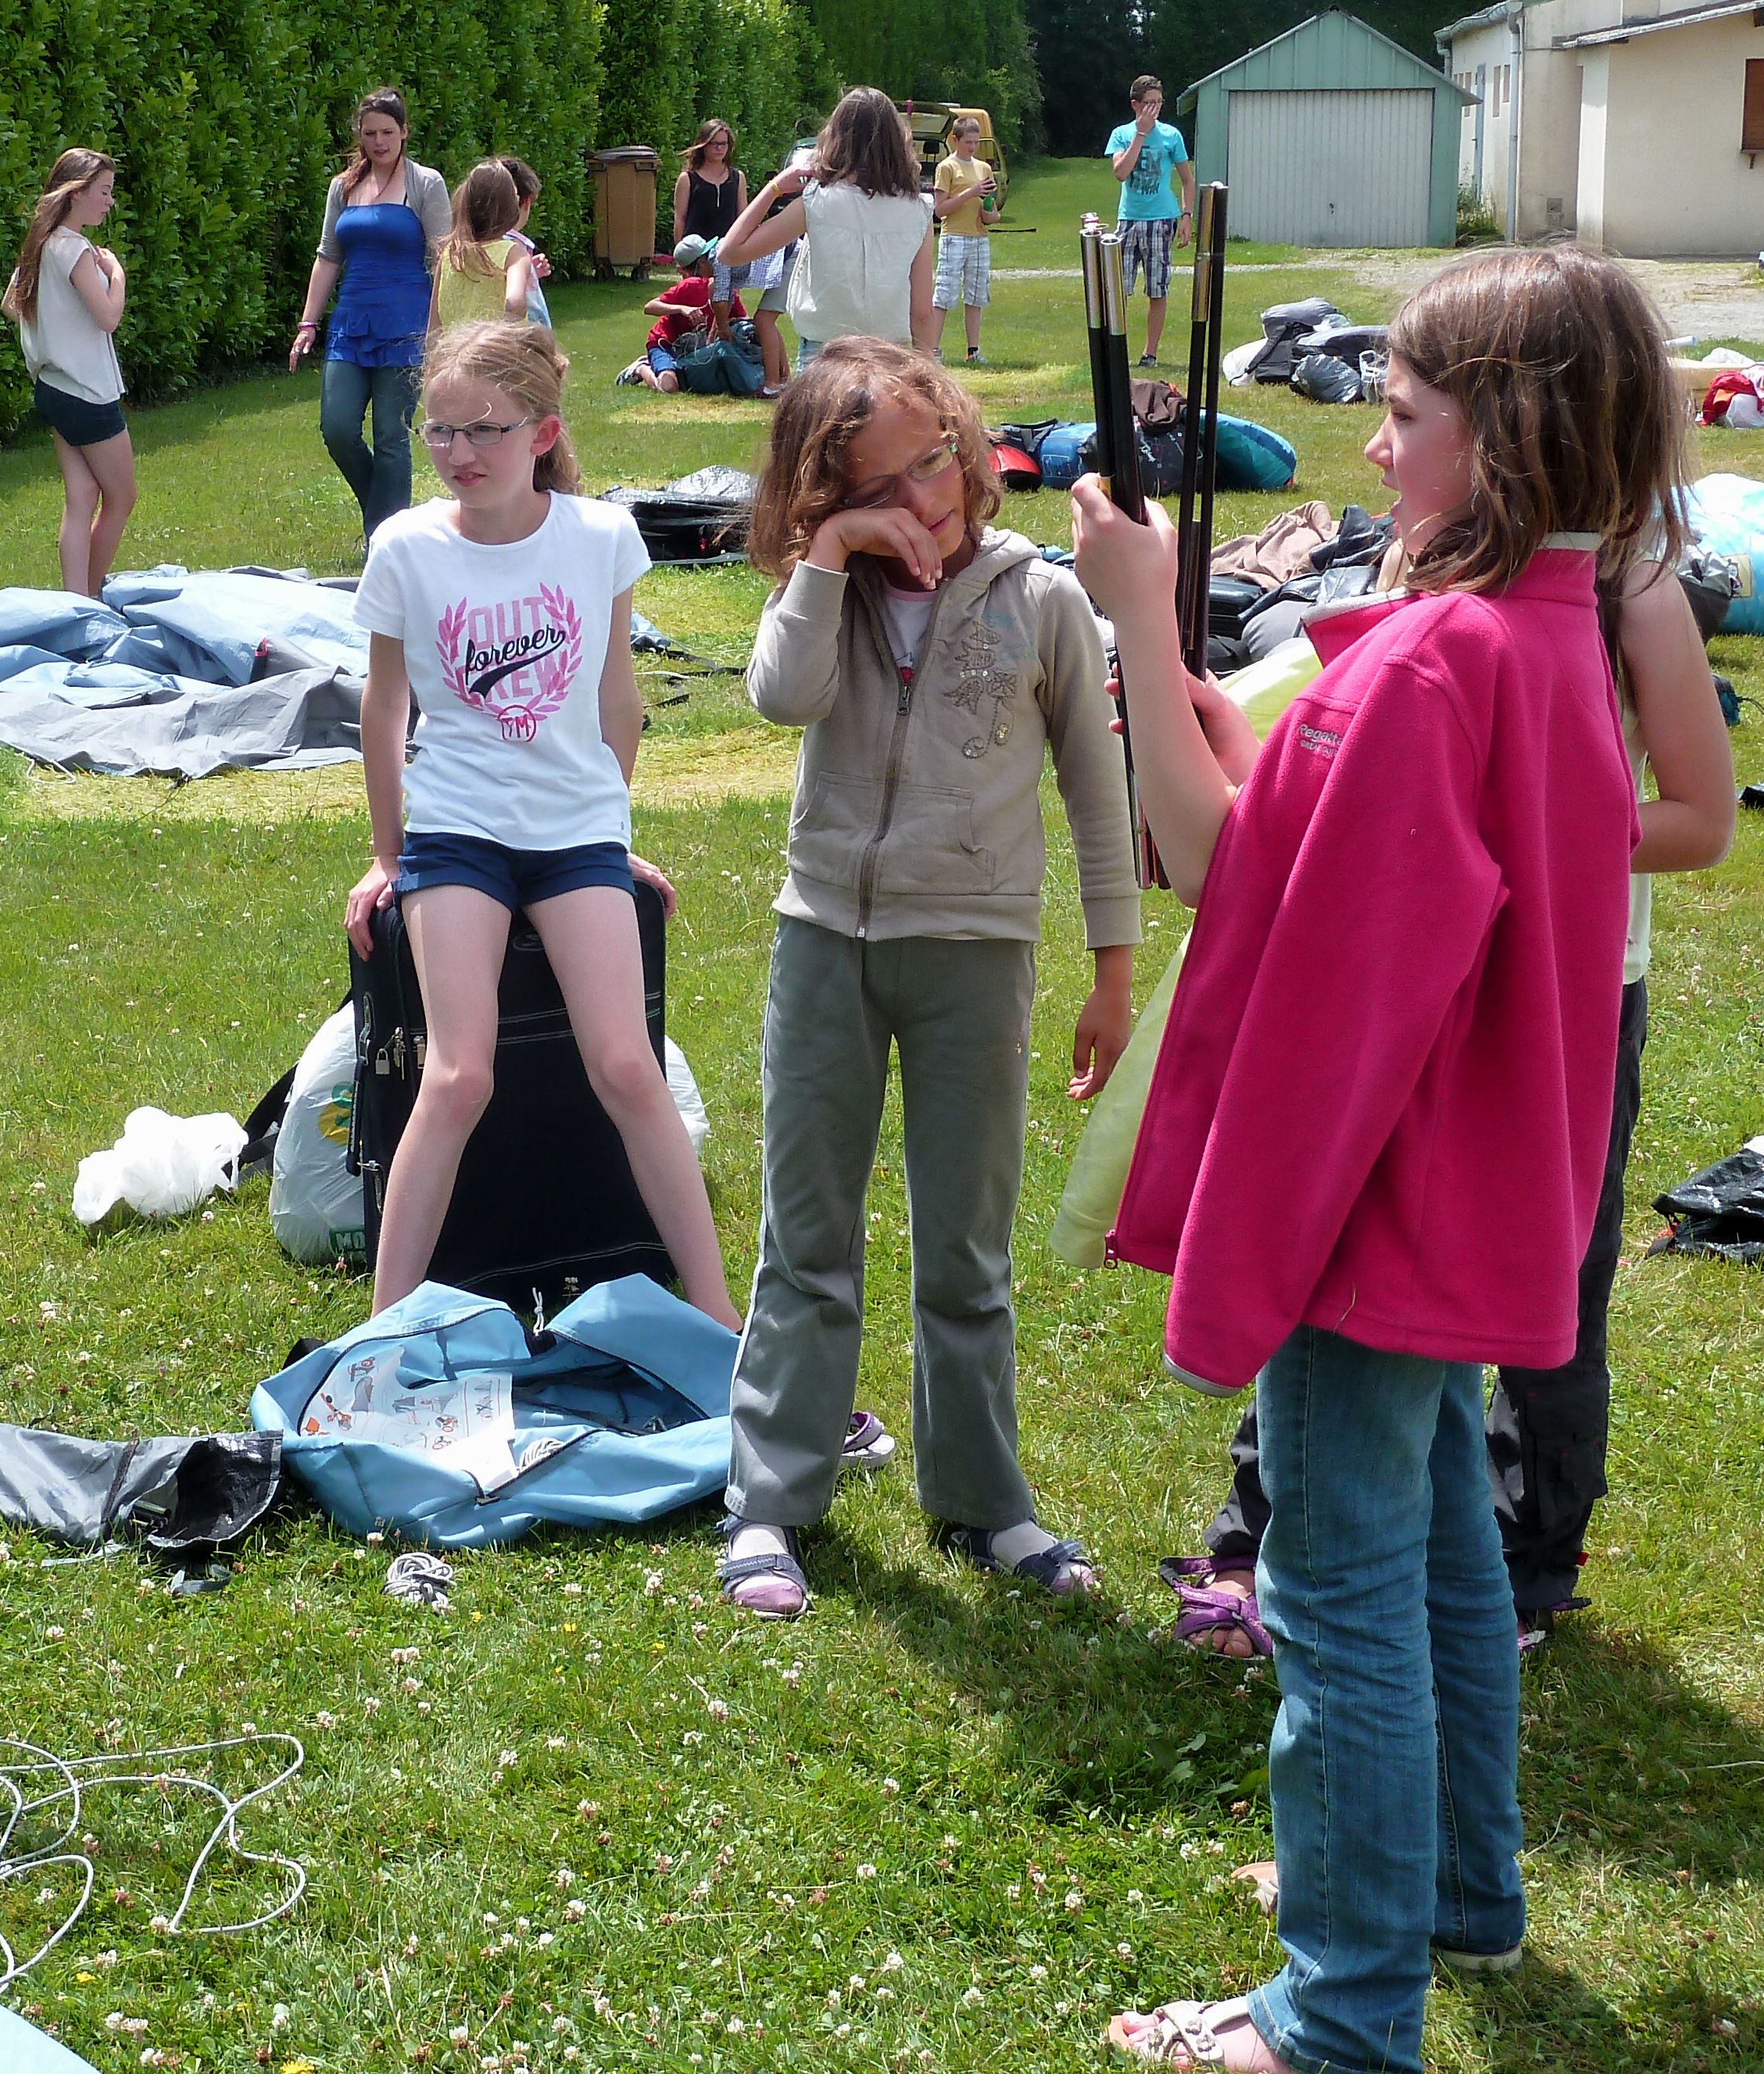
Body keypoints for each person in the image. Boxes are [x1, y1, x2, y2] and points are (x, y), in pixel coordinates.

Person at [1070, 244, 1690, 2072]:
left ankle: (1337, 2014)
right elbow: (1296, 825)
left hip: (1378, 1215)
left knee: (1334, 1593)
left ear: (1500, 435)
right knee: (1437, 1554)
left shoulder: (1430, 664)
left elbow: (1247, 897)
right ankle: (1450, 1896)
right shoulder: (1546, 629)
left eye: (1400, 416)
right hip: (1475, 1197)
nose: (1369, 449)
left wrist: (1132, 622)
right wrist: (1215, 712)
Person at [1164, 535, 1735, 1665]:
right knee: (1342, 1261)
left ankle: (1521, 1562)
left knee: (1547, 1281)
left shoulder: (1628, 584)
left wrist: (1519, 836)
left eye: (1405, 435)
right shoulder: (1430, 563)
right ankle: (1256, 1531)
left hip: (1563, 988)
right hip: (1426, 967)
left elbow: (1703, 817)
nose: (1381, 454)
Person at [715, 337, 1140, 1621]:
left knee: (964, 1247)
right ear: (826, 496)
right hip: (824, 943)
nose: (923, 498)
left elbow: (1096, 792)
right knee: (805, 1238)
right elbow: (778, 697)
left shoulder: (1040, 600)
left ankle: (981, 1498)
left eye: (935, 459)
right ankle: (768, 1497)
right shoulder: (824, 595)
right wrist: (825, 557)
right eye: (879, 485)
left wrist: (1110, 969)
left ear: (964, 439)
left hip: (975, 953)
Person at [341, 321, 740, 1331]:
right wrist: (387, 856)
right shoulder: (404, 546)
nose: (459, 451)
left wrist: (609, 832)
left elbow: (617, 702)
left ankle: (718, 1319)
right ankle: (379, 1336)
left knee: (627, 1065)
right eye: (439, 430)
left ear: (542, 432)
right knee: (457, 1073)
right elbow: (384, 709)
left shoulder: (599, 538)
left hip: (574, 835)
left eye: (485, 429)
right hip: (456, 832)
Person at [290, 88, 453, 541]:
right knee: (337, 428)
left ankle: (386, 541)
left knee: (390, 436)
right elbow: (328, 256)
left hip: (406, 325)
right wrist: (308, 323)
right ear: (359, 135)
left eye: (387, 132)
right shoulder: (342, 187)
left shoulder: (426, 183)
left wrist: (437, 327)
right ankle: (387, 522)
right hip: (352, 323)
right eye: (370, 133)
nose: (379, 142)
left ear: (404, 132)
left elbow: (443, 259)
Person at [716, 87, 935, 369]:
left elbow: (730, 252)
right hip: (891, 357)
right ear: (897, 139)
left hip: (825, 356)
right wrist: (928, 375)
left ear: (837, 137)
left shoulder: (816, 202)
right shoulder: (919, 210)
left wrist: (775, 187)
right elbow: (922, 313)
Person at [3, 148, 134, 598]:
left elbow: (11, 304)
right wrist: (116, 274)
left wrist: (54, 327)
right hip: (87, 394)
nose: (110, 202)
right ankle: (90, 596)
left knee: (81, 499)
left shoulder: (41, 244)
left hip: (52, 388)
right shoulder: (75, 249)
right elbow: (108, 318)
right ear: (76, 193)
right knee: (122, 497)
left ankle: (75, 602)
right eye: (104, 192)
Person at [1107, 76, 1194, 367]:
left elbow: (1188, 180)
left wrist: (1187, 216)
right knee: (1119, 288)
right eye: (1149, 104)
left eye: (1159, 103)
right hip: (1129, 219)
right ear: (1135, 104)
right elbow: (1121, 173)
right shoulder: (1121, 134)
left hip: (1162, 219)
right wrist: (1141, 134)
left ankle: (1150, 353)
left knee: (1157, 288)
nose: (1154, 109)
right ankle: (1116, 350)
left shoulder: (1172, 135)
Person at [615, 234, 733, 392]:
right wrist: (681, 308)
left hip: (695, 349)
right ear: (699, 264)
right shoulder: (690, 286)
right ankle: (641, 368)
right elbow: (650, 307)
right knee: (669, 387)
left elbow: (741, 319)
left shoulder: (726, 288)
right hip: (666, 344)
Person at [429, 161, 535, 332]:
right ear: (508, 206)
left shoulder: (450, 254)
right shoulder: (514, 254)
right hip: (496, 348)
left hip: (454, 348)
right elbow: (514, 302)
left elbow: (434, 326)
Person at [930, 114, 1000, 367]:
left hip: (979, 237)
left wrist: (990, 213)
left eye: (976, 142)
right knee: (945, 294)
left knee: (976, 295)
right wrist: (970, 192)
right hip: (954, 237)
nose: (972, 147)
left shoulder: (984, 169)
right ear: (955, 140)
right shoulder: (946, 168)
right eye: (968, 142)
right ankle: (932, 351)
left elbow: (990, 211)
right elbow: (940, 210)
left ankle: (973, 351)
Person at [671, 118, 747, 310]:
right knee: (696, 306)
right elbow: (680, 219)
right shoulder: (688, 178)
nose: (719, 148)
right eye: (714, 144)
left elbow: (743, 217)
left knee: (726, 306)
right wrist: (682, 259)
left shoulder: (737, 178)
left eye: (724, 144)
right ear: (703, 145)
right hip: (697, 255)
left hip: (727, 253)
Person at [495, 157, 555, 328]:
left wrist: (530, 272)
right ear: (526, 202)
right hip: (521, 339)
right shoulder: (517, 249)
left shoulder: (466, 244)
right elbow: (533, 311)